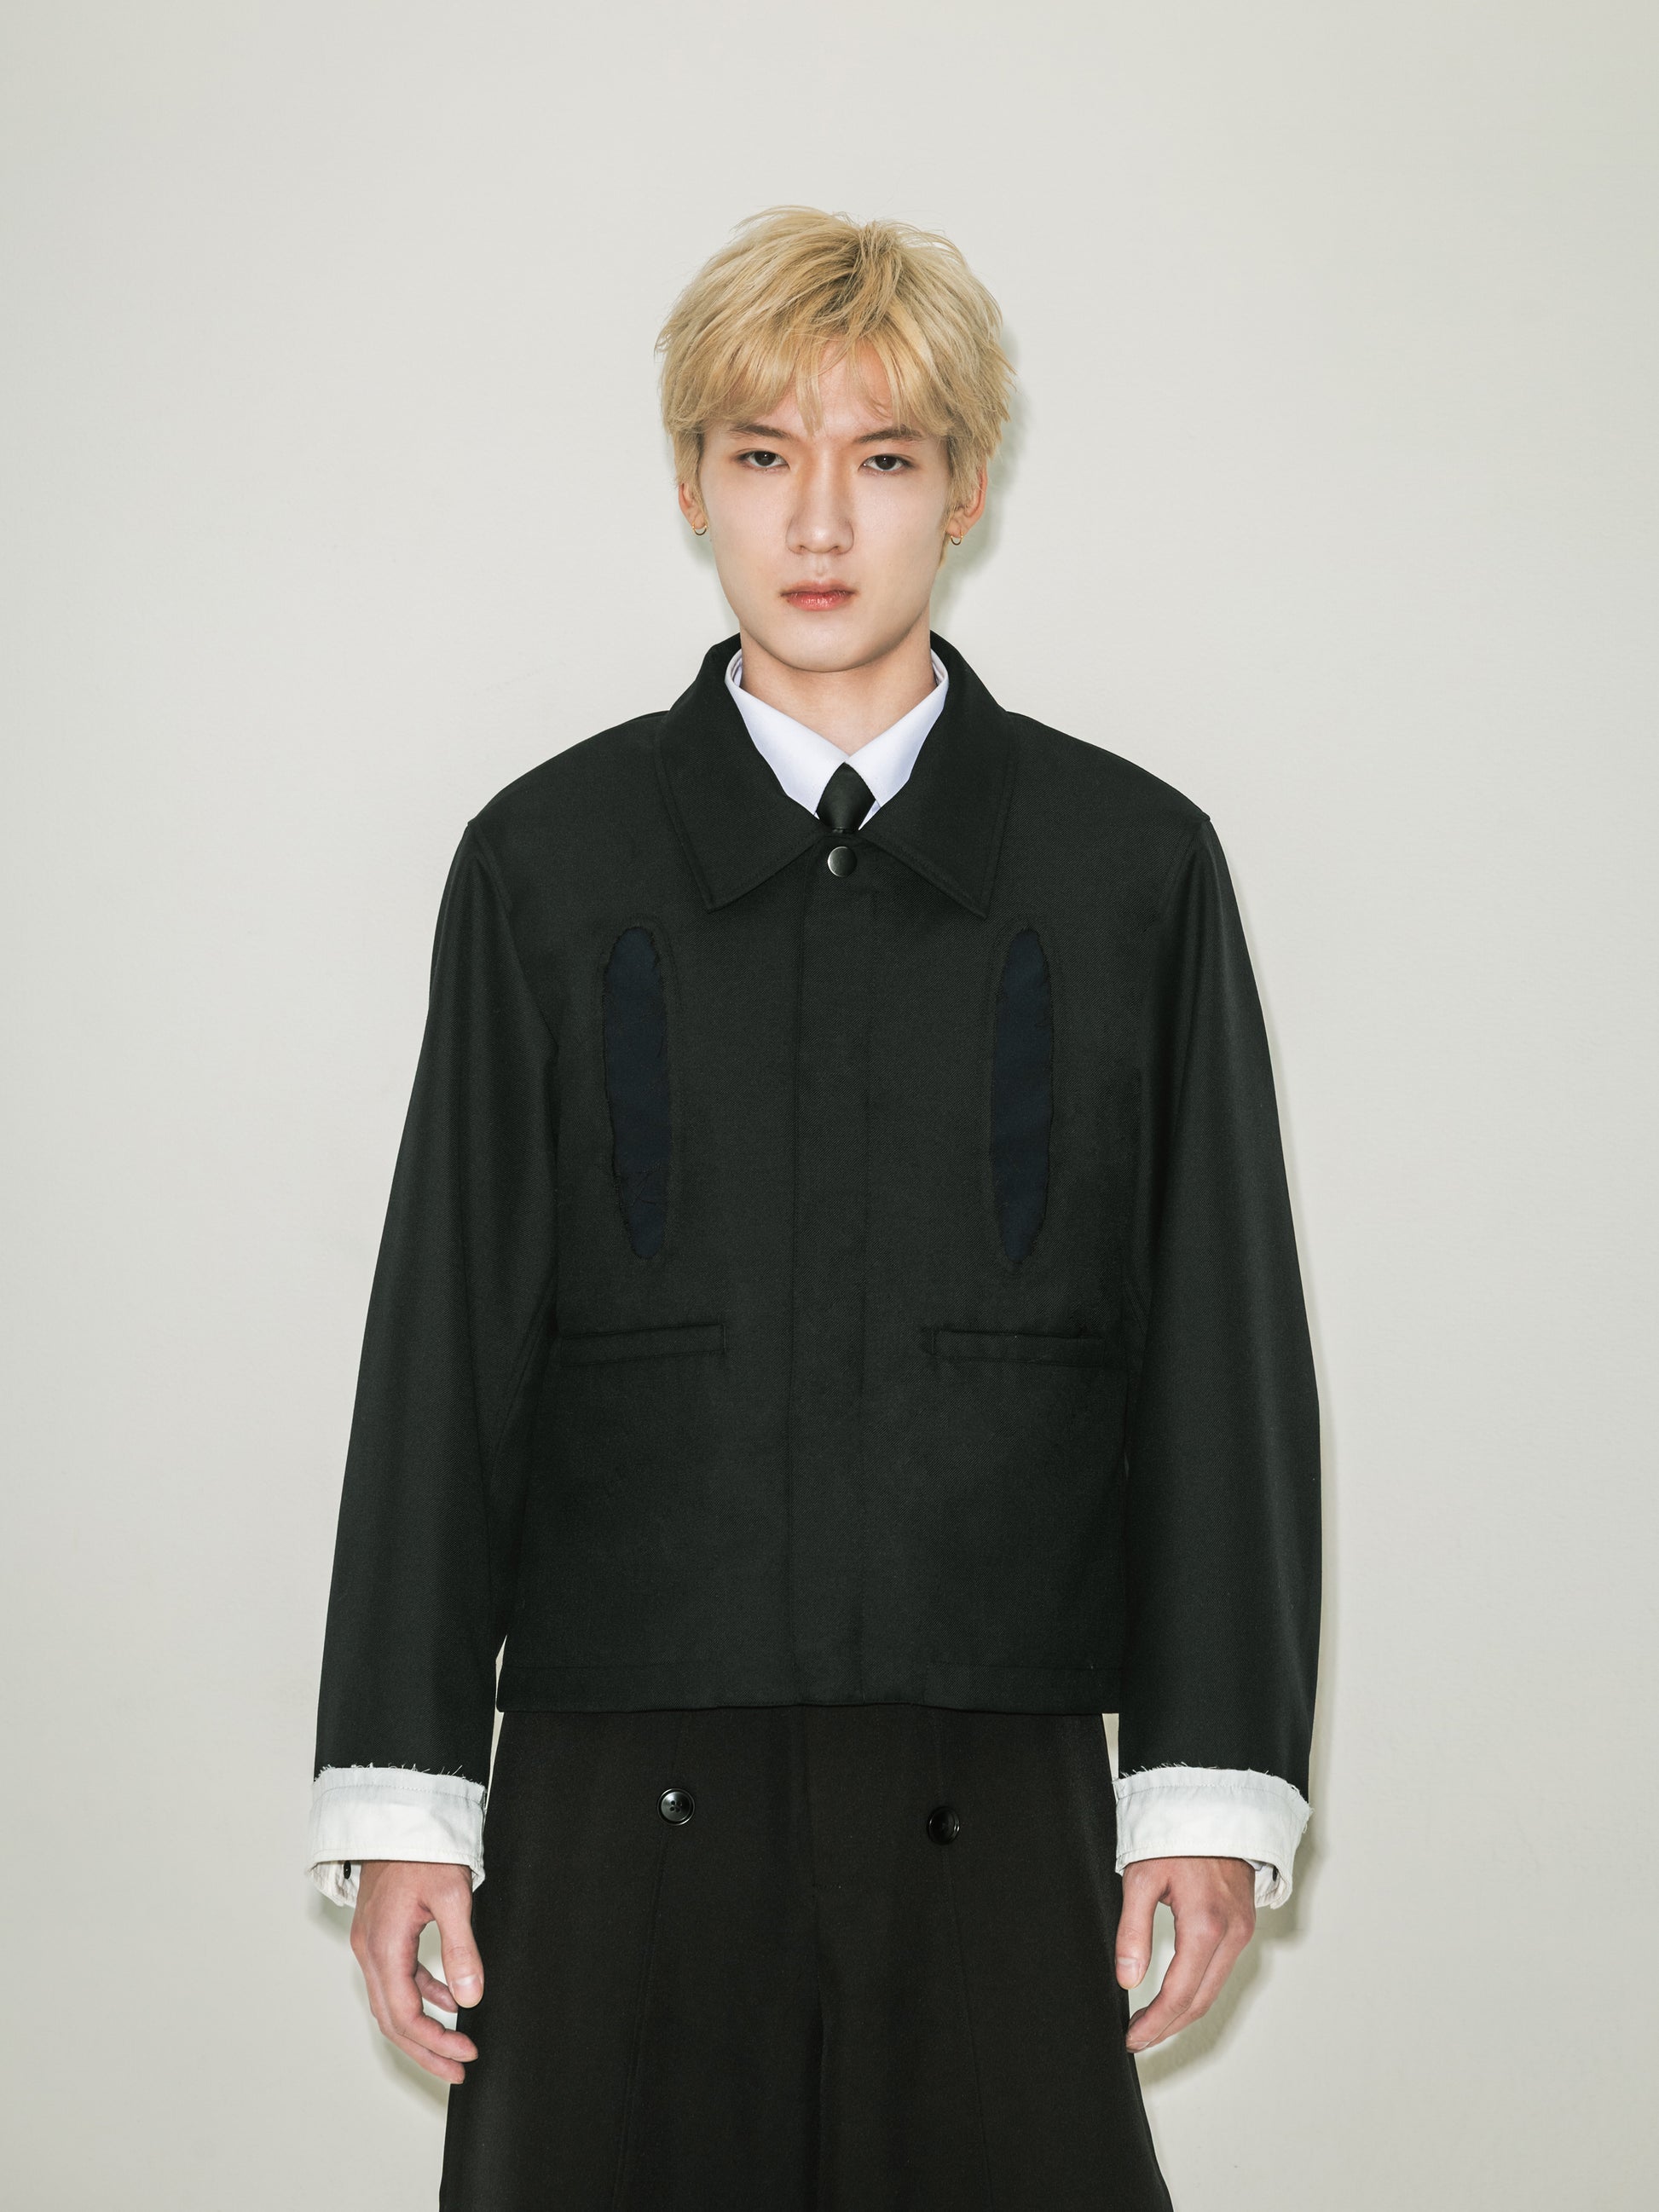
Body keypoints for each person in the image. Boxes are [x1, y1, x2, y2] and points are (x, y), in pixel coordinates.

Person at [307, 205, 1321, 2210]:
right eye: (765, 454)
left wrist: (1205, 1784)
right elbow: (446, 1333)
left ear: (966, 484)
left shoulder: (1127, 868)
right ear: (692, 483)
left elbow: (1217, 1333)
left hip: (995, 1763)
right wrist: (410, 1797)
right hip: (617, 1777)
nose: (822, 519)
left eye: (884, 456)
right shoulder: (548, 862)